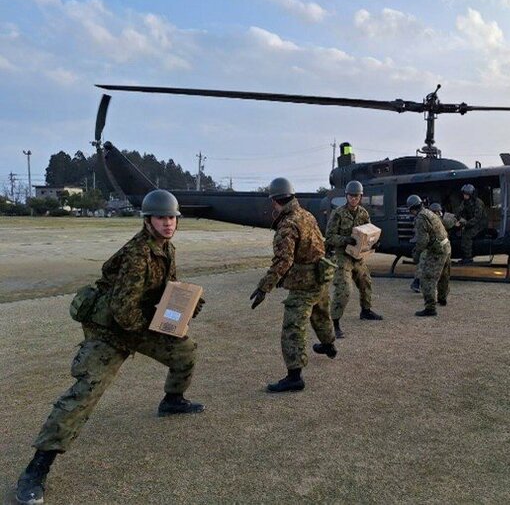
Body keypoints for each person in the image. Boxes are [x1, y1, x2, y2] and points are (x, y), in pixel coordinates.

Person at [15, 189, 205, 505]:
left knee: (185, 352)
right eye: (161, 217)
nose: (168, 223)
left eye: (172, 217)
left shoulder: (165, 248)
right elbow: (123, 311)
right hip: (110, 332)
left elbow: (166, 290)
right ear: (148, 220)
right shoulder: (137, 255)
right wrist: (159, 325)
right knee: (84, 394)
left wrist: (184, 306)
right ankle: (36, 470)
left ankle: (172, 400)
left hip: (139, 323)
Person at [249, 177, 337, 393]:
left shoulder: (287, 224)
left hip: (304, 284)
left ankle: (294, 376)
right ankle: (329, 345)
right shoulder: (306, 215)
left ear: (274, 201)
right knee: (321, 314)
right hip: (320, 276)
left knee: (293, 328)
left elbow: (283, 261)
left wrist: (264, 287)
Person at [325, 180, 383, 337]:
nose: (353, 199)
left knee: (366, 282)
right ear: (346, 196)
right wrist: (345, 240)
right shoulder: (338, 213)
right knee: (344, 289)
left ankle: (366, 311)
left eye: (356, 196)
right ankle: (334, 324)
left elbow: (369, 231)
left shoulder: (363, 213)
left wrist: (374, 242)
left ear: (361, 197)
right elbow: (329, 237)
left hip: (357, 256)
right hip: (342, 256)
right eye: (351, 196)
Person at [408, 195, 451, 317]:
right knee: (444, 275)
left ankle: (430, 308)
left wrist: (416, 254)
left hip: (437, 250)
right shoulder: (429, 212)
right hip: (446, 246)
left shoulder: (421, 218)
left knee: (427, 278)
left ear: (412, 209)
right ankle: (442, 298)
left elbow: (422, 241)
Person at [410, 202, 455, 293]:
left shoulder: (438, 219)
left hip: (439, 246)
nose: (437, 214)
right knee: (424, 261)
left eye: (438, 212)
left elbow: (453, 221)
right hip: (435, 246)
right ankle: (418, 282)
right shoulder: (429, 219)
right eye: (435, 212)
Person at [455, 184, 487, 264]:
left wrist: (465, 224)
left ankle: (468, 258)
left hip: (480, 224)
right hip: (471, 223)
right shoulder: (465, 202)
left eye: (466, 194)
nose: (464, 196)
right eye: (464, 194)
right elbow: (459, 212)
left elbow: (477, 218)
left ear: (471, 194)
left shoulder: (478, 203)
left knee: (467, 236)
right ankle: (464, 256)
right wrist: (458, 219)